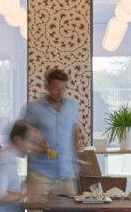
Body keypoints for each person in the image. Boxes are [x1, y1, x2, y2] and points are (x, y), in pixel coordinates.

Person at [18, 68, 87, 199]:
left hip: (66, 173)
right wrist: (36, 145)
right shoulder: (34, 108)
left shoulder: (72, 106)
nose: (60, 93)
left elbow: (74, 132)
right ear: (47, 86)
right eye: (56, 89)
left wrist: (77, 159)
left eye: (63, 89)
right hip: (40, 173)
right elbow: (21, 134)